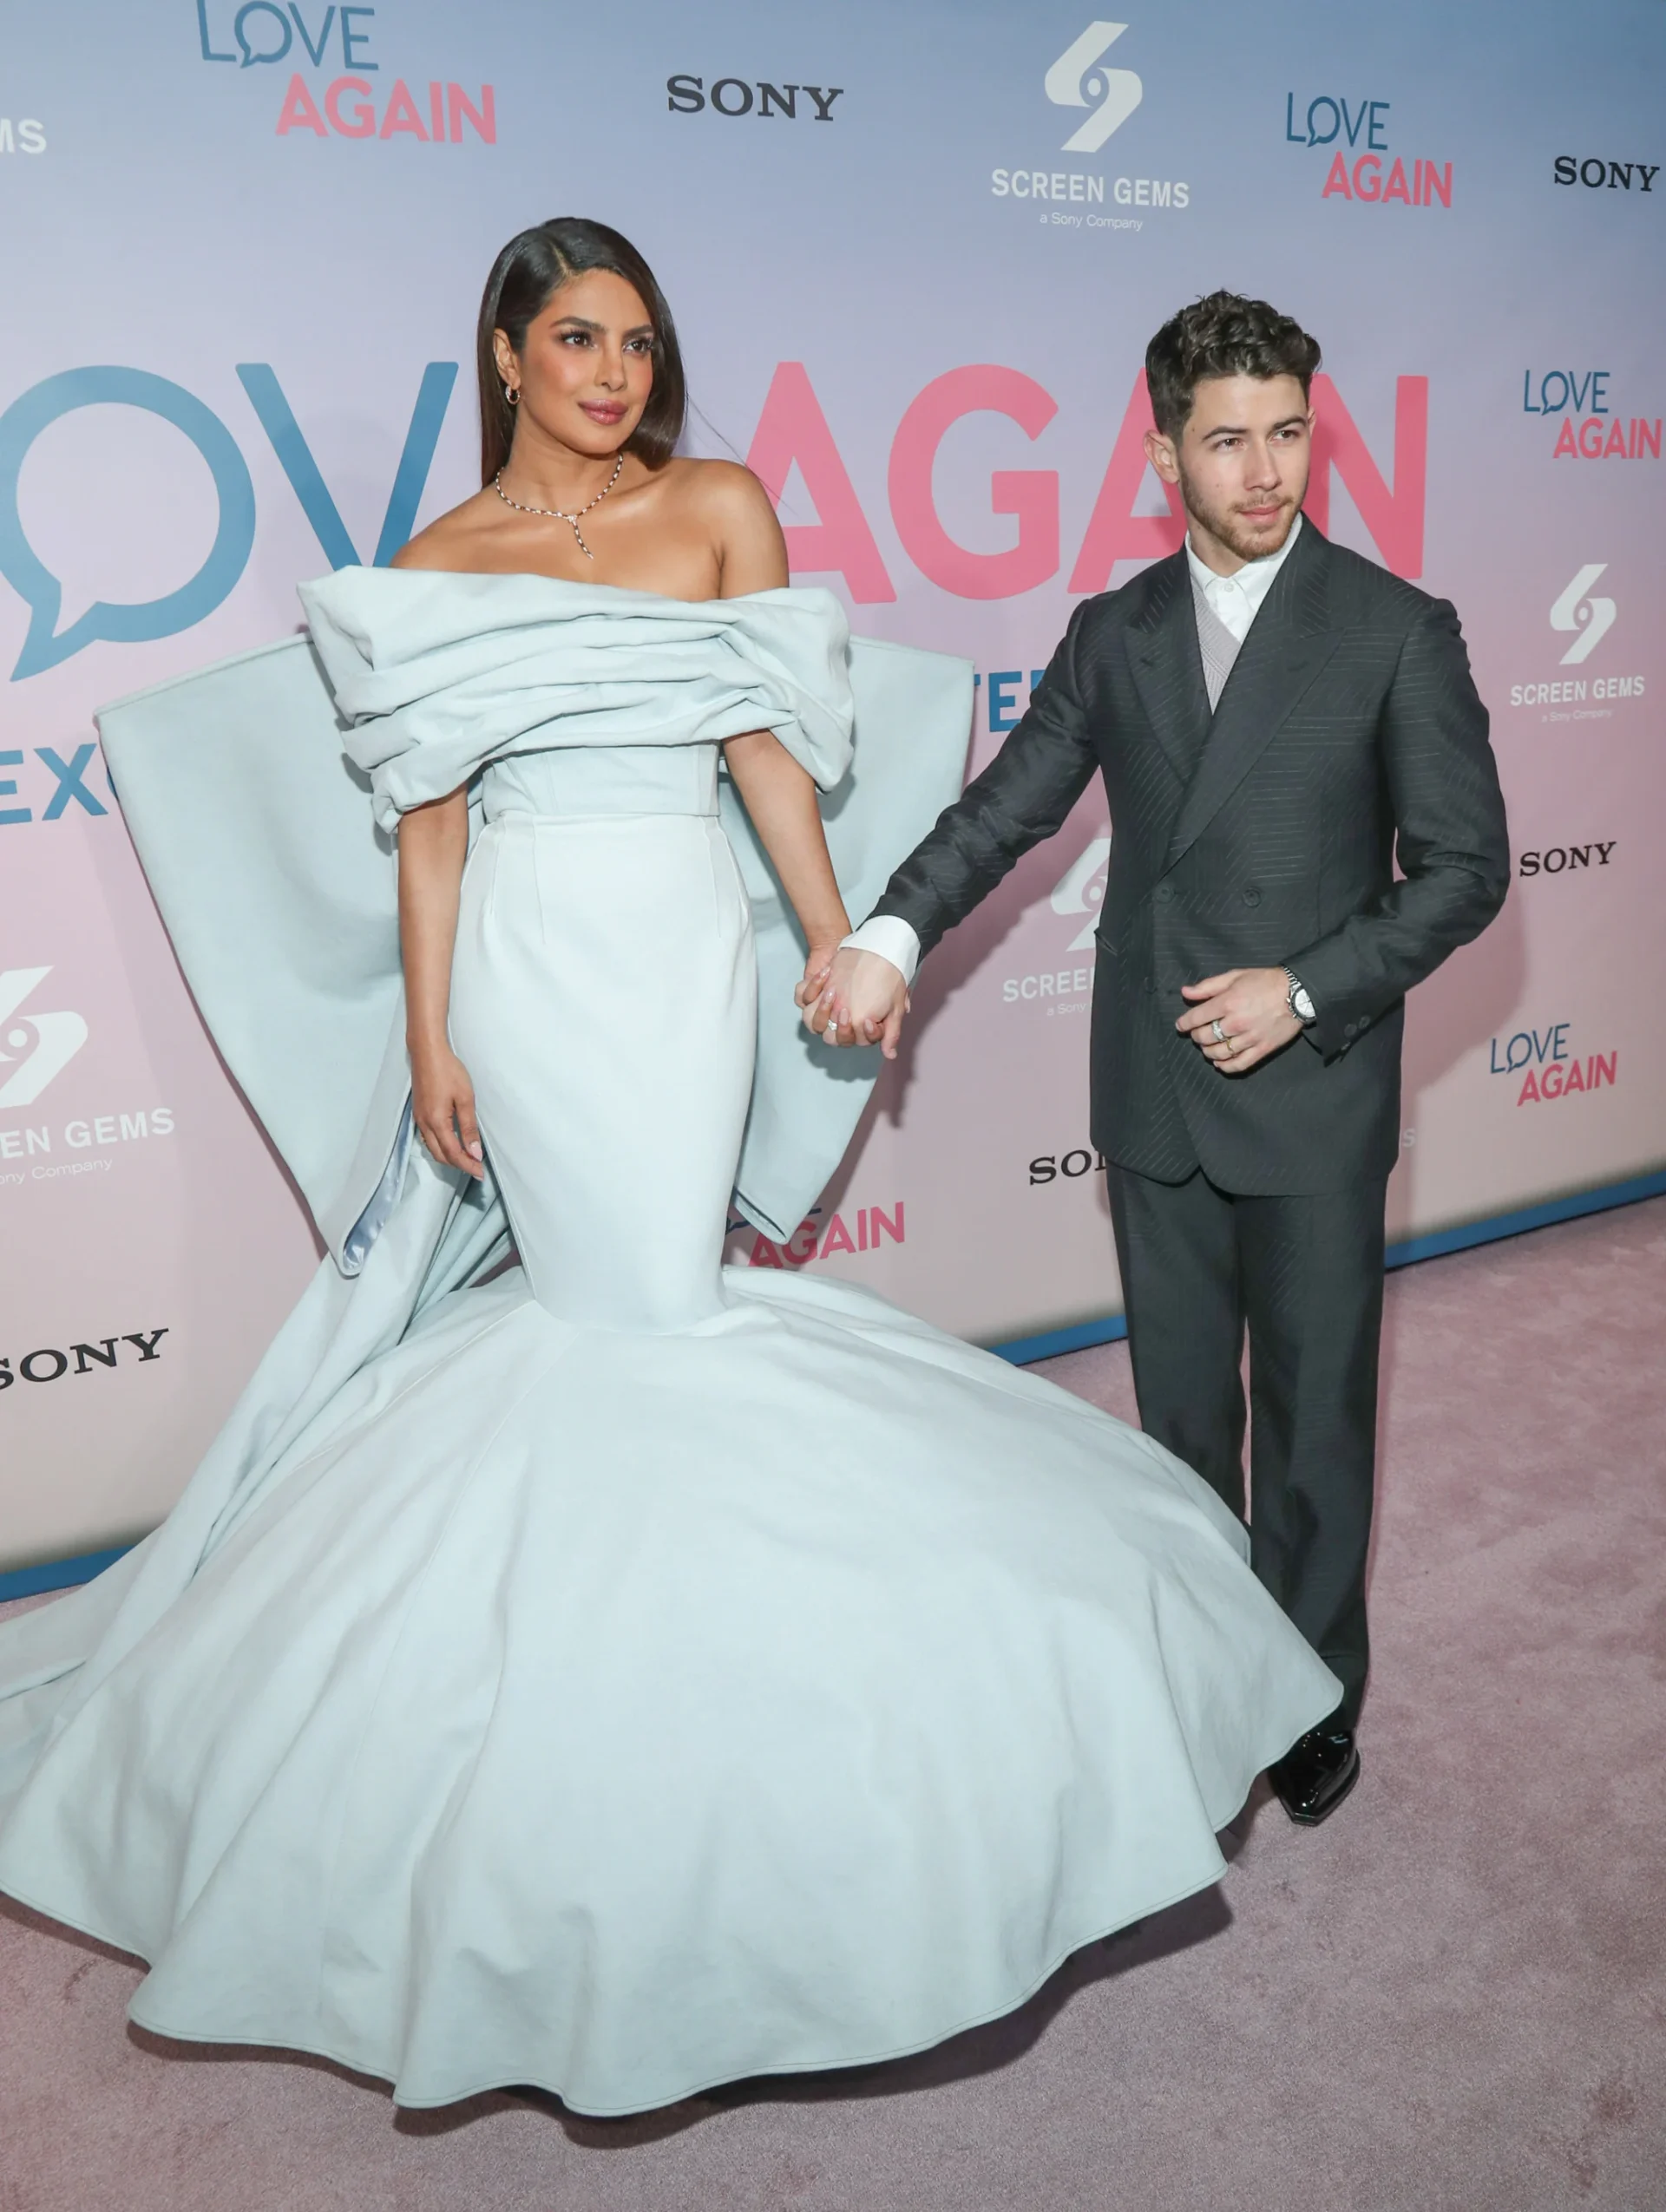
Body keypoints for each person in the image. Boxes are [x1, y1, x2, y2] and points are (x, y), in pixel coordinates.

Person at [0, 232, 1338, 2118]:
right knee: (606, 1325)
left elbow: (769, 754)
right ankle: (573, 1811)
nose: (615, 371)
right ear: (506, 349)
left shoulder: (716, 504)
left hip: (687, 953)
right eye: (577, 339)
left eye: (638, 341)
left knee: (668, 1314)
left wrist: (836, 940)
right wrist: (435, 1039)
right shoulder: (440, 570)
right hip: (530, 970)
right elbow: (434, 837)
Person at [820, 291, 1510, 1828]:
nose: (1265, 472)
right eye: (1226, 441)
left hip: (1313, 1087)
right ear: (1162, 454)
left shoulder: (1395, 626)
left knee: (1318, 1412)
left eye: (1287, 434)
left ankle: (1317, 1684)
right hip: (1154, 1090)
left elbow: (1466, 867)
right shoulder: (1113, 634)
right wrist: (888, 928)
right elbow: (1004, 811)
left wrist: (1315, 989)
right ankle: (1211, 1667)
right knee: (1185, 1417)